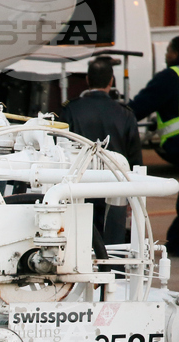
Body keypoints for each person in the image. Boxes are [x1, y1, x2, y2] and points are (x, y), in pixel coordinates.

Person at [61, 56, 142, 246]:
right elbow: (135, 158)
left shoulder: (71, 110)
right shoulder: (125, 113)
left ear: (88, 80)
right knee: (113, 245)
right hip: (115, 188)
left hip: (80, 189)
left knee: (79, 244)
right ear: (111, 81)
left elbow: (61, 149)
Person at [130, 36, 179, 252]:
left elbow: (139, 107)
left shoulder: (170, 77)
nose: (166, 55)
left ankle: (178, 243)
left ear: (176, 54)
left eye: (168, 51)